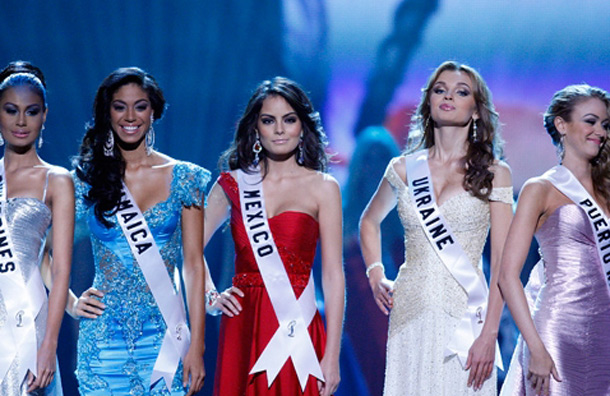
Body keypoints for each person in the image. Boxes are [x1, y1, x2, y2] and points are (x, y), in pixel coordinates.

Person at [359, 61, 513, 395]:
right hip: (409, 314)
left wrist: (489, 335)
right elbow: (368, 221)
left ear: (476, 110)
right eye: (440, 90)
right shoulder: (402, 168)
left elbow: (503, 260)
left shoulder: (495, 172)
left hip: (466, 320)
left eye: (461, 92)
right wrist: (375, 272)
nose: (448, 96)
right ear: (429, 102)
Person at [67, 67, 208, 395]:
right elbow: (45, 251)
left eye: (140, 106)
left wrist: (198, 346)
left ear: (154, 110)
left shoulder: (184, 178)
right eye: (119, 106)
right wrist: (71, 304)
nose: (130, 116)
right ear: (108, 112)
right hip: (102, 342)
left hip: (166, 337)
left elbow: (193, 266)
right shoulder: (86, 181)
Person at [203, 77, 344, 396]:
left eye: (289, 119)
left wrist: (332, 356)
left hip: (299, 326)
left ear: (302, 127)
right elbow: (188, 248)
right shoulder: (233, 184)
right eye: (269, 120)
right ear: (255, 129)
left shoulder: (323, 187)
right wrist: (210, 296)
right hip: (244, 323)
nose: (280, 129)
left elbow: (334, 275)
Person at [499, 85, 610, 396]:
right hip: (558, 333)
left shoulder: (608, 191)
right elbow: (508, 277)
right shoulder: (540, 189)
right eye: (590, 121)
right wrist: (536, 348)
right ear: (562, 124)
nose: (599, 131)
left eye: (605, 124)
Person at [0, 61, 73, 395]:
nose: (20, 121)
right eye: (11, 110)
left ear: (44, 114)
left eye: (30, 112)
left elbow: (60, 272)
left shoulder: (56, 180)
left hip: (28, 317)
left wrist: (48, 346)